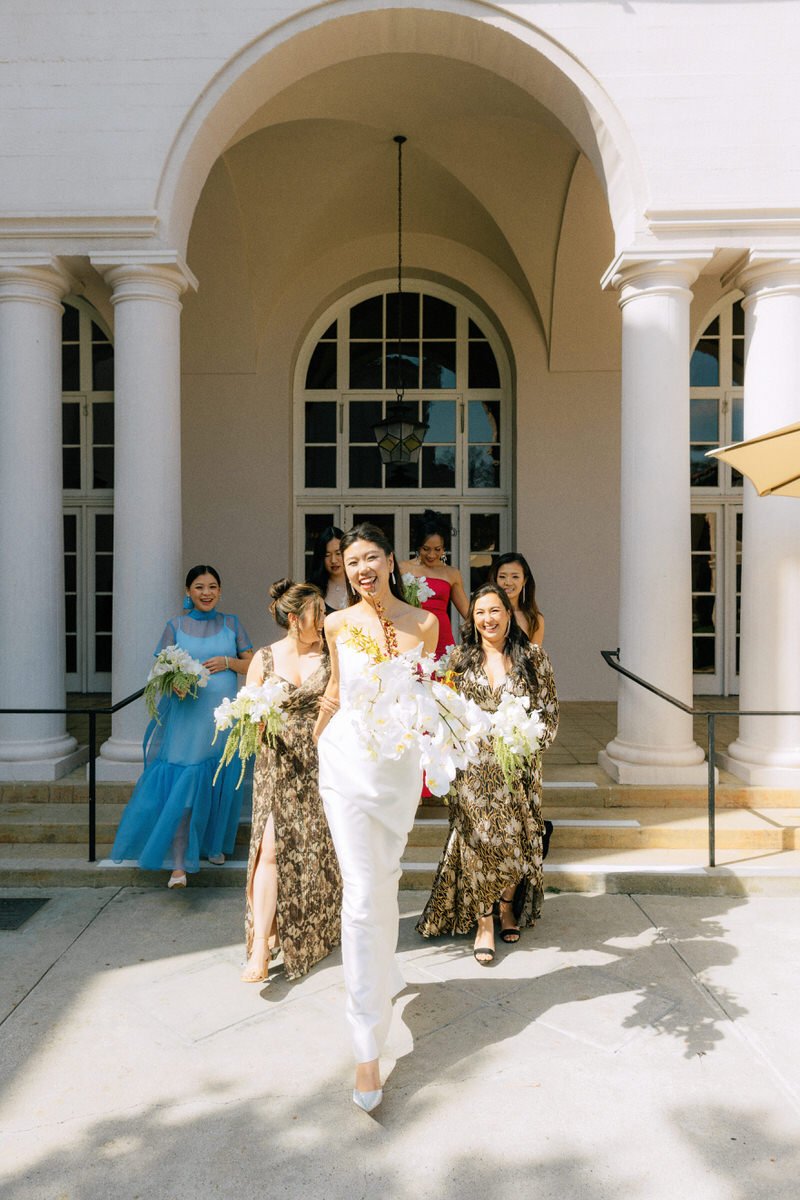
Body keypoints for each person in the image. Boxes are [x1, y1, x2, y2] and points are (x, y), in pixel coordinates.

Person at [314, 523, 438, 1113]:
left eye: (371, 557)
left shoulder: (424, 624)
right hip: (345, 767)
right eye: (351, 560)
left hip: (396, 774)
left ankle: (384, 972)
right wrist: (304, 745)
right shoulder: (335, 623)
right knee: (362, 895)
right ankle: (367, 1046)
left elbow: (428, 694)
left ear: (391, 561)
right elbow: (335, 690)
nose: (361, 567)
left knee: (384, 880)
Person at [416, 583, 558, 964]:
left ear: (509, 615)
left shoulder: (533, 658)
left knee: (515, 841)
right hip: (473, 770)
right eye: (480, 612)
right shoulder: (459, 660)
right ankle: (484, 922)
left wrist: (528, 743)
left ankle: (507, 905)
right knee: (477, 845)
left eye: (495, 611)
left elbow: (549, 712)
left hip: (517, 769)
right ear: (472, 618)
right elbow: (441, 706)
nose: (487, 619)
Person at [111, 565, 253, 887]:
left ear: (220, 591)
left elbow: (254, 663)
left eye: (213, 586)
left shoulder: (231, 624)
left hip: (221, 719)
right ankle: (179, 863)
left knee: (219, 783)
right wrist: (173, 683)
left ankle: (215, 845)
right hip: (187, 721)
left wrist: (229, 662)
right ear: (188, 592)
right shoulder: (175, 626)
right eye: (200, 587)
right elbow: (159, 669)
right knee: (184, 786)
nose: (207, 593)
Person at [242, 579, 341, 984]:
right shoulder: (264, 659)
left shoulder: (333, 657)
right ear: (294, 618)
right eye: (318, 616)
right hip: (277, 763)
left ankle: (308, 929)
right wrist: (255, 716)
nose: (324, 623)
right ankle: (261, 947)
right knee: (269, 848)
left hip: (323, 760)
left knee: (317, 850)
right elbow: (246, 712)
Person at [399, 510, 469, 658]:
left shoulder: (452, 573)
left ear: (444, 548)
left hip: (442, 636)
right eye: (426, 549)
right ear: (418, 546)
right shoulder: (403, 568)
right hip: (412, 633)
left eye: (437, 550)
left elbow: (468, 614)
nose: (431, 555)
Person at [489, 552, 545, 645]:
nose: (508, 582)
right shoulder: (486, 616)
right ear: (495, 579)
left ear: (524, 580)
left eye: (515, 577)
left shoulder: (534, 619)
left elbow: (535, 658)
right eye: (502, 577)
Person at [308, 526, 348, 614]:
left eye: (338, 553)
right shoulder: (312, 589)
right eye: (327, 555)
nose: (333, 560)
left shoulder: (359, 585)